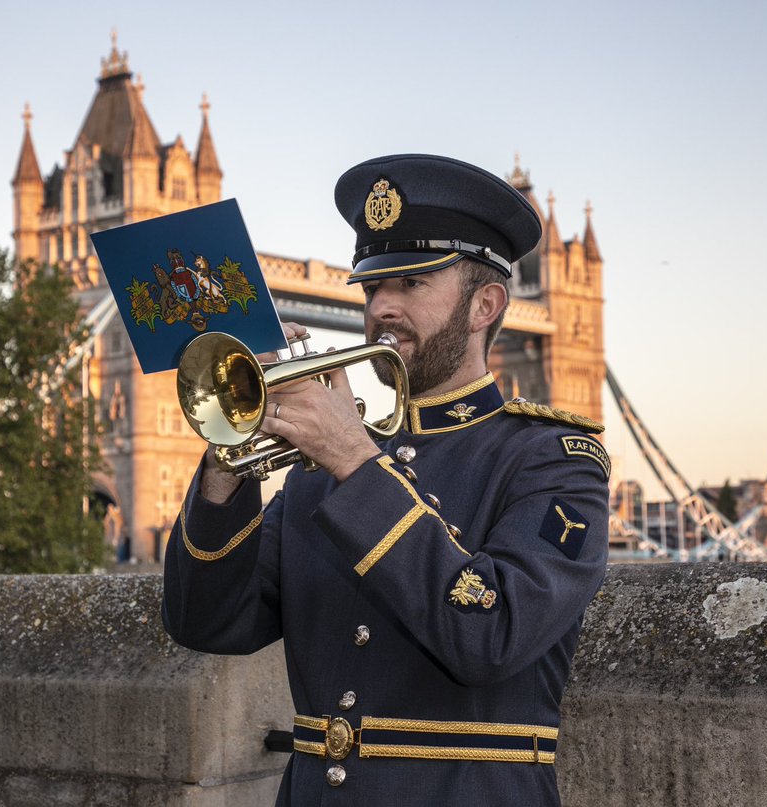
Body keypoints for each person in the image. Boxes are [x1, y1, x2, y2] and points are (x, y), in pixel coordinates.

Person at [162, 154, 610, 805]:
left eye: (412, 285)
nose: (382, 308)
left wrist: (353, 460)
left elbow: (490, 637)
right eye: (373, 289)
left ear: (486, 304)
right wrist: (224, 468)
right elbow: (206, 623)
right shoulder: (320, 470)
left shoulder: (555, 459)